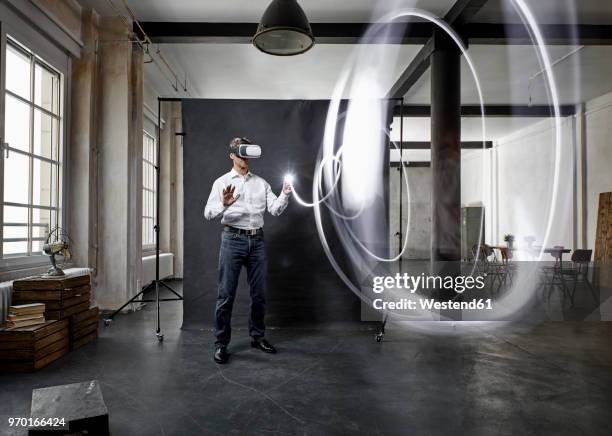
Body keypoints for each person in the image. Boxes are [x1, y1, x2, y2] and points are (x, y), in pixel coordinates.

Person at [204, 137, 291, 364]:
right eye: (241, 154)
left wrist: (285, 194)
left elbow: (275, 210)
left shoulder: (260, 183)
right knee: (226, 295)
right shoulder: (221, 182)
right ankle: (221, 344)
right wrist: (225, 204)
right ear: (232, 155)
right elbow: (208, 213)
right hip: (232, 240)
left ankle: (257, 337)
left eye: (247, 154)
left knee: (259, 295)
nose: (245, 158)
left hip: (257, 241)